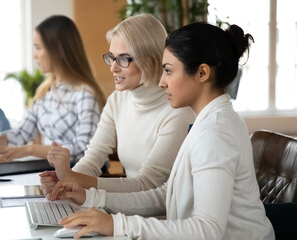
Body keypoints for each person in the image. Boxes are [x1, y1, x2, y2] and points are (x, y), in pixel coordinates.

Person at [49, 22, 275, 239]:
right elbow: (166, 195)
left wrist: (117, 224)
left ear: (202, 73)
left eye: (168, 71)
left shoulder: (216, 133)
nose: (161, 82)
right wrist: (91, 198)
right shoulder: (207, 121)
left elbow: (207, 230)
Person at [40, 14, 195, 196]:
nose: (113, 67)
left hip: (161, 218)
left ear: (150, 60)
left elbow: (147, 185)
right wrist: (63, 181)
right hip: (127, 209)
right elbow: (92, 159)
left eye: (123, 59)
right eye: (112, 57)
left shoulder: (177, 111)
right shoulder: (117, 100)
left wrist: (73, 178)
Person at [0, 15, 105, 164]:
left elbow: (83, 150)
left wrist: (29, 150)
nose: (34, 55)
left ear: (57, 51)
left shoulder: (85, 95)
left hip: (79, 178)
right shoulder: (45, 91)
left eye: (38, 47)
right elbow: (21, 134)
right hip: (51, 173)